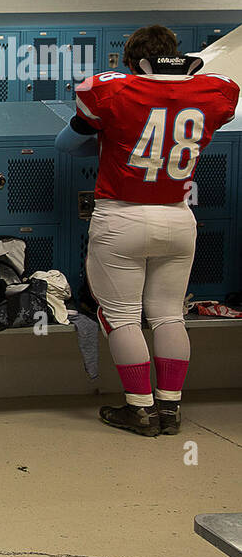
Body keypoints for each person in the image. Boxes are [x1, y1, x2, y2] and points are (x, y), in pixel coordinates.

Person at [56, 25, 238, 437]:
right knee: (169, 315)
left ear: (131, 60)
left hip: (123, 216)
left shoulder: (115, 92)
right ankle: (171, 408)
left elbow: (66, 143)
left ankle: (139, 408)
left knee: (122, 318)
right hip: (178, 215)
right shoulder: (211, 92)